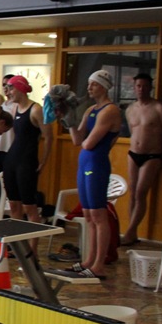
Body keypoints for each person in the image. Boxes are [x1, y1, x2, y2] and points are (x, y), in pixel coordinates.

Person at [56, 70, 121, 280]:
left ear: (103, 87)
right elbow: (77, 140)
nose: (89, 88)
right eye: (89, 84)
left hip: (97, 164)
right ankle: (88, 261)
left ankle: (99, 265)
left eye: (93, 84)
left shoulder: (110, 111)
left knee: (99, 216)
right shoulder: (91, 110)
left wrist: (76, 125)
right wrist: (69, 118)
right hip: (85, 164)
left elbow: (89, 143)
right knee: (89, 215)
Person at [121, 72, 162, 246]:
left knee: (140, 192)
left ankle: (129, 232)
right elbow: (133, 132)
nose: (141, 89)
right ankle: (132, 232)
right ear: (134, 87)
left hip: (152, 155)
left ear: (150, 87)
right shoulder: (130, 109)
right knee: (132, 192)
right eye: (138, 86)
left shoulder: (159, 108)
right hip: (133, 153)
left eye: (144, 86)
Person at [4, 75, 52, 235]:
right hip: (11, 160)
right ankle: (17, 244)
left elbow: (49, 137)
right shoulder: (14, 109)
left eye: (11, 88)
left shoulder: (36, 109)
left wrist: (43, 162)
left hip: (27, 162)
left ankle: (32, 247)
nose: (8, 92)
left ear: (21, 89)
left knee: (29, 207)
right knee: (13, 206)